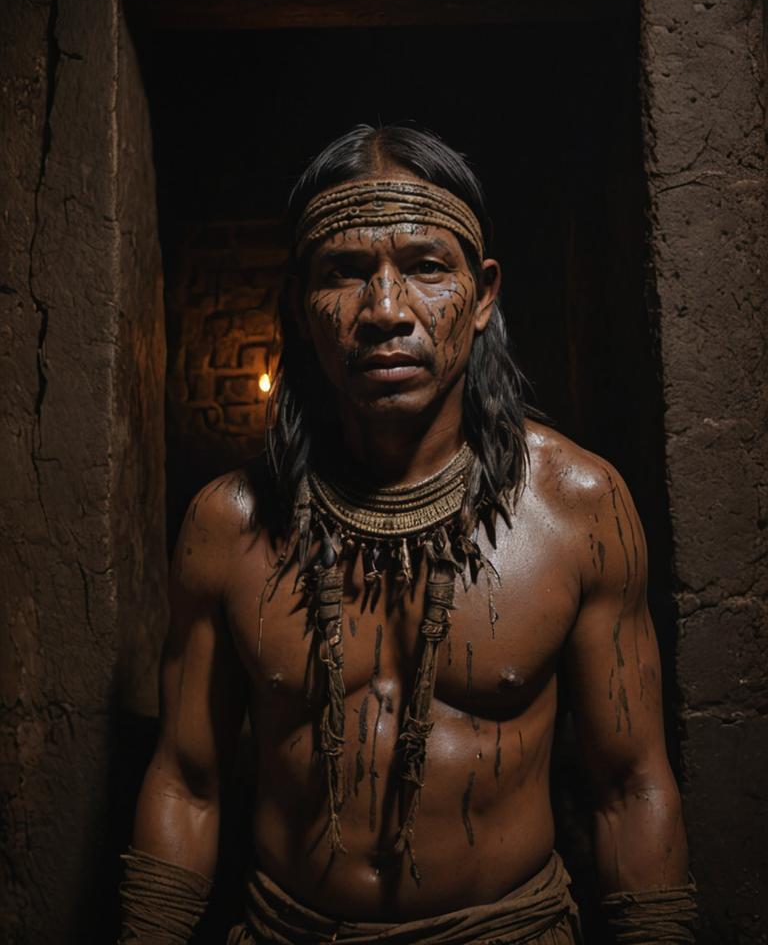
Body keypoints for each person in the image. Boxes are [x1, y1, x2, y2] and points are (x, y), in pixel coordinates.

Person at [120, 125, 696, 944]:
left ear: (484, 292)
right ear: (296, 302)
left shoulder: (579, 507)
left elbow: (631, 786)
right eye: (345, 273)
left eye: (427, 267)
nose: (386, 312)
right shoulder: (227, 526)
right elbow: (186, 782)